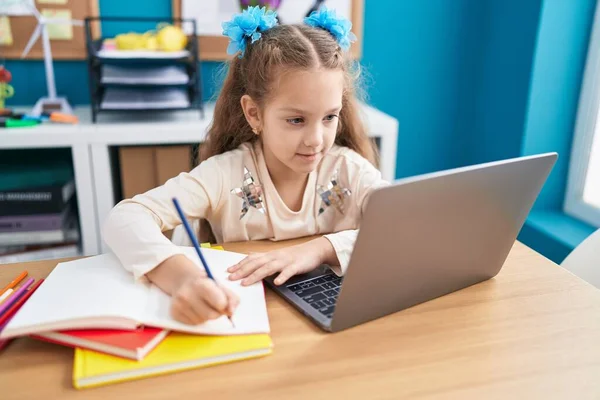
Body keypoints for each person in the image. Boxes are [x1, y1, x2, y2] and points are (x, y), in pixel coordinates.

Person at [102, 6, 388, 326]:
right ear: (254, 113)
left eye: (329, 117)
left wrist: (318, 250)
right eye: (296, 120)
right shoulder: (225, 174)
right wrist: (182, 278)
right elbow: (125, 218)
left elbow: (405, 226)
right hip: (248, 319)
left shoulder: (350, 169)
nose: (316, 139)